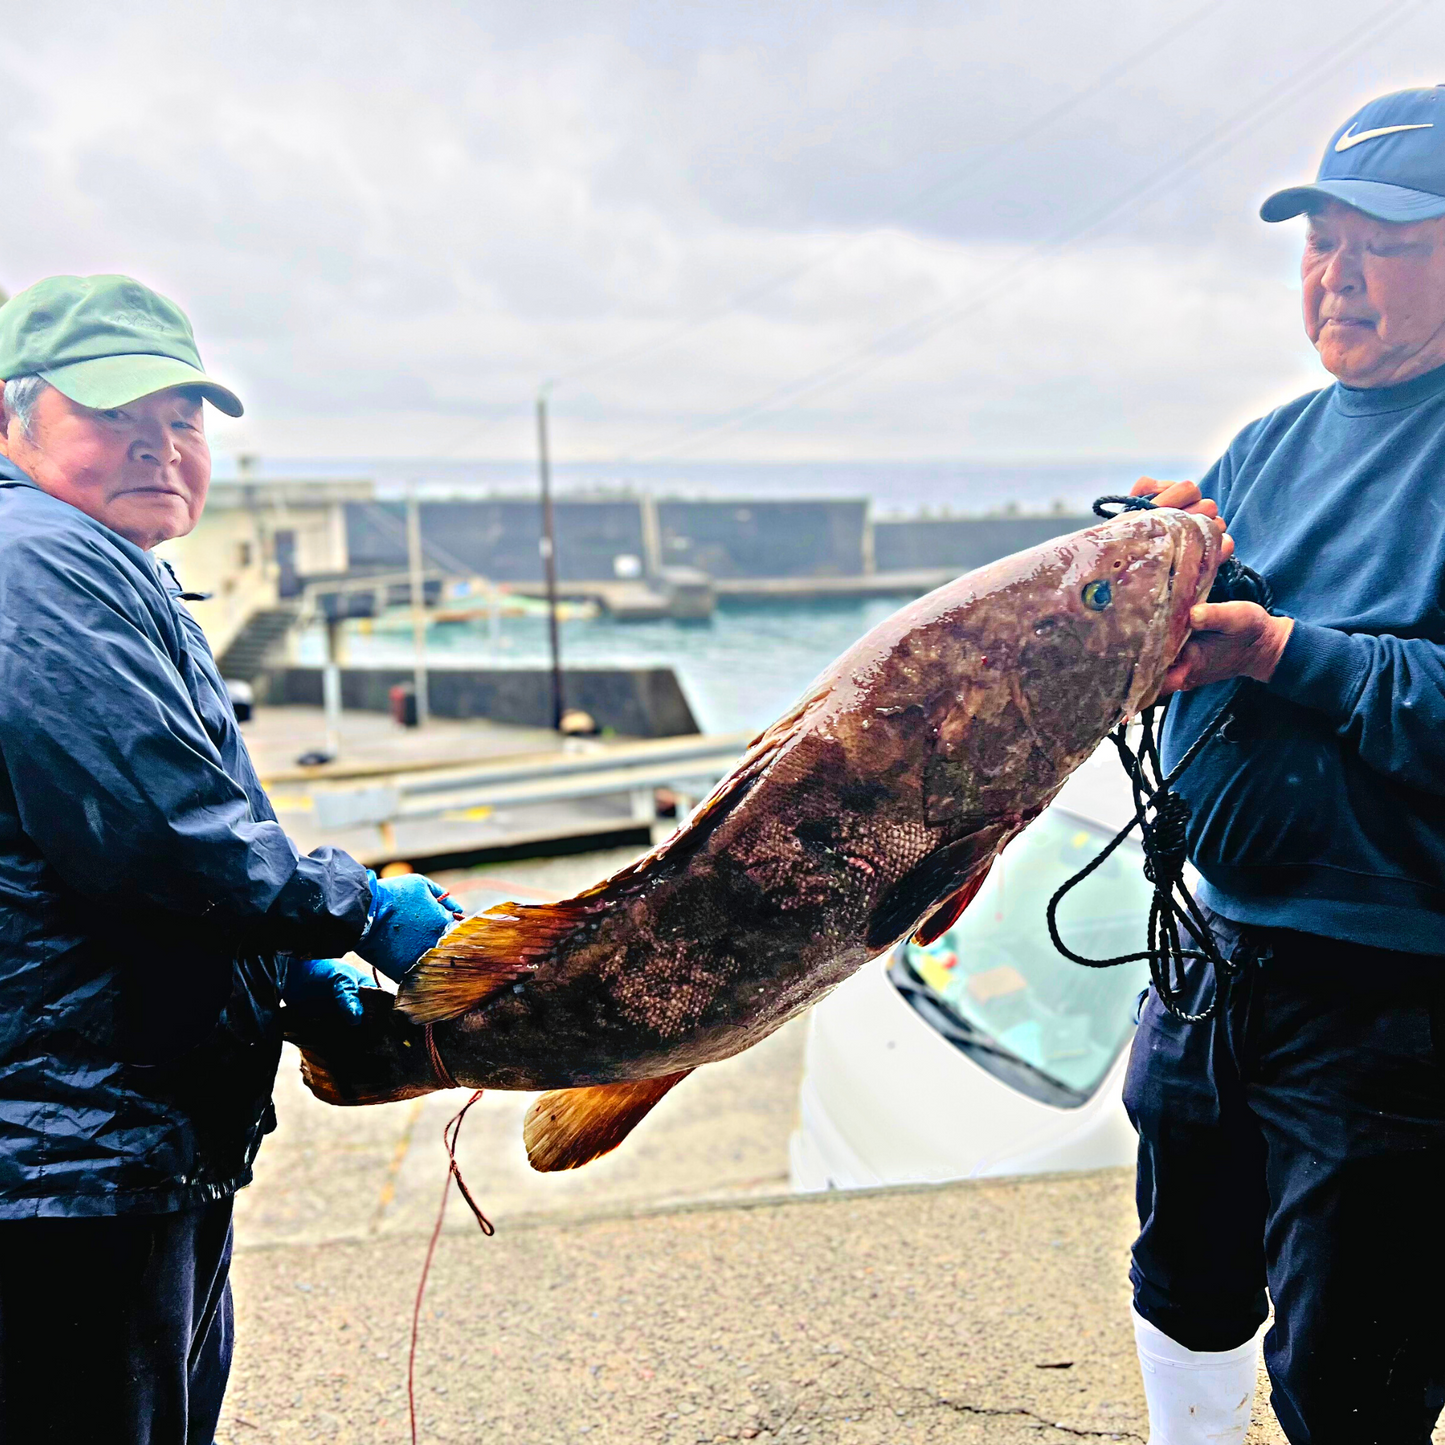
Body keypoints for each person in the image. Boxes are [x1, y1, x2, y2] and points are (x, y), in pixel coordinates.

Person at [0, 273, 465, 1443]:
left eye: (184, 421)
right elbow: (160, 841)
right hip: (67, 1160)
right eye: (116, 417)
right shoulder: (37, 562)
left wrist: (278, 979)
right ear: (13, 418)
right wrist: (359, 907)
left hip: (105, 1146)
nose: (160, 447)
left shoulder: (87, 556)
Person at [1121, 87, 1445, 1443]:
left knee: (1349, 1370)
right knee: (1182, 1279)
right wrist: (1154, 582)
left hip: (1392, 1003)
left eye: (1385, 236)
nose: (1338, 271)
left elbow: (1311, 661)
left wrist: (1275, 650)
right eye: (1319, 237)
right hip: (1213, 956)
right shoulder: (1264, 444)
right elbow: (1207, 640)